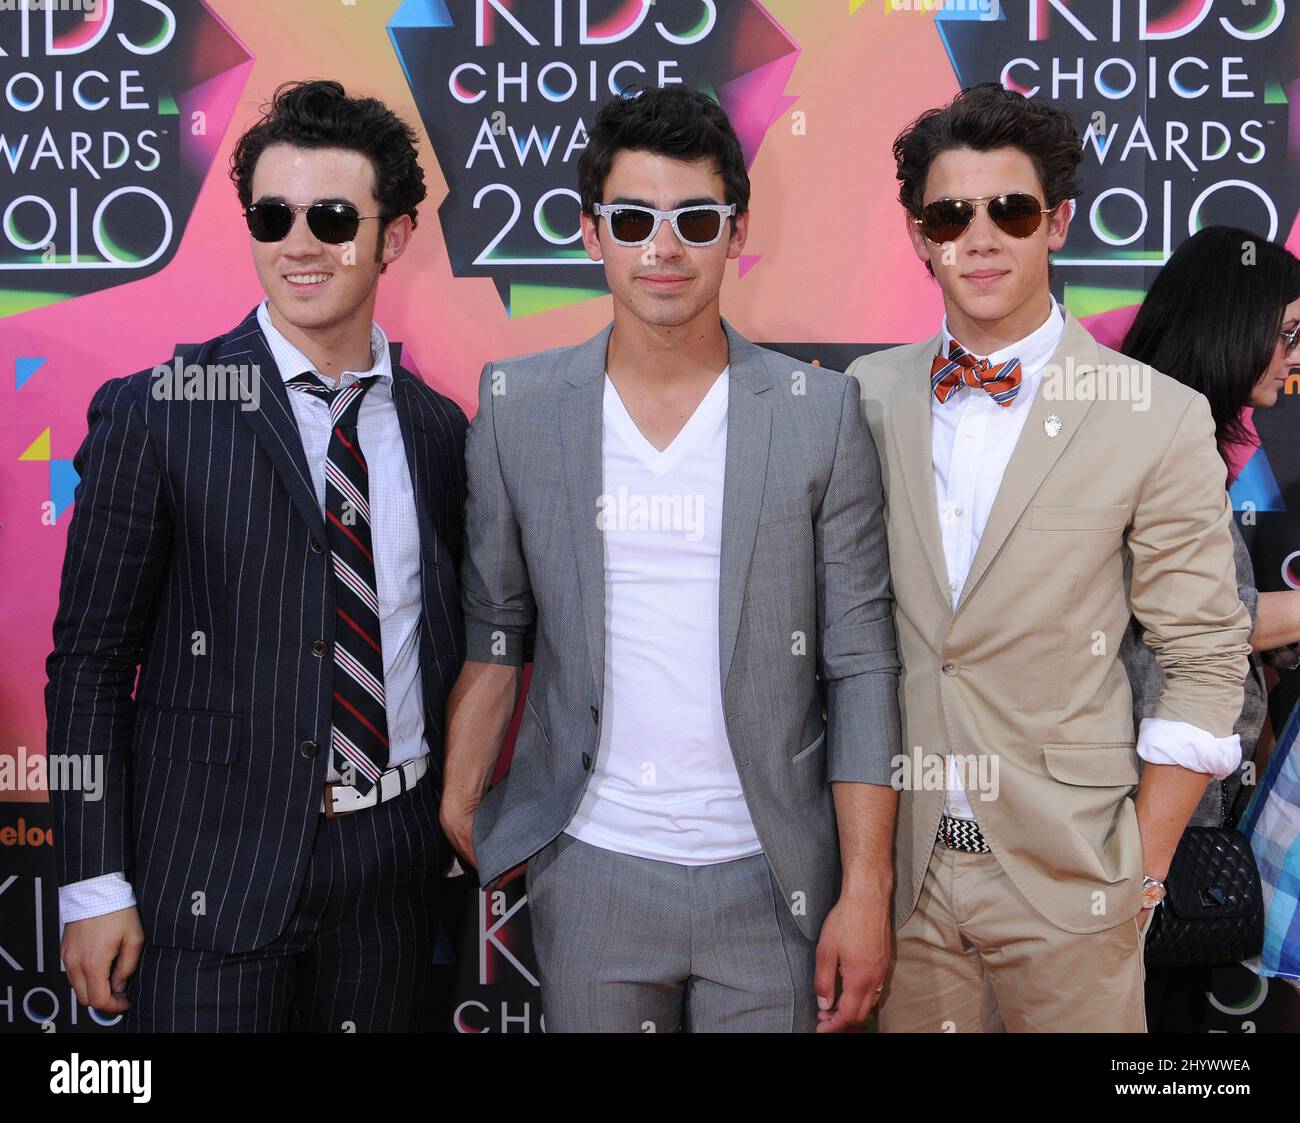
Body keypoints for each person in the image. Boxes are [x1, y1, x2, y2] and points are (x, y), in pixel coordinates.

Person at [441, 85, 902, 1033]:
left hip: (776, 876)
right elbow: (497, 631)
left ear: (736, 234)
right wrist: (462, 792)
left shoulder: (818, 414)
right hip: (592, 866)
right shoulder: (519, 409)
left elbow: (861, 665)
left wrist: (865, 888)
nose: (665, 247)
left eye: (695, 219)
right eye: (634, 219)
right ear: (590, 233)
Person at [47, 80, 467, 1031]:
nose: (299, 243)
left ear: (395, 236)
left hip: (392, 874)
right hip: (207, 869)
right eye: (272, 216)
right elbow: (88, 666)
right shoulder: (160, 410)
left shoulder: (440, 430)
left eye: (330, 215)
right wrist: (89, 880)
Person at [846, 83, 1253, 1032]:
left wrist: (1138, 877)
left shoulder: (1156, 414)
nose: (980, 237)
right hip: (902, 884)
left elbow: (1202, 658)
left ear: (1057, 222)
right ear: (920, 235)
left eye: (1011, 210)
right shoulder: (862, 395)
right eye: (951, 214)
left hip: (1076, 887)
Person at [1119, 225, 1300, 1030]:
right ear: (1233, 322)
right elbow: (1201, 626)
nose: (1294, 357)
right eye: (1288, 333)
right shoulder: (1149, 442)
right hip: (1144, 820)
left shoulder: (1186, 433)